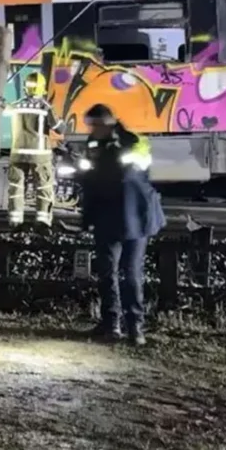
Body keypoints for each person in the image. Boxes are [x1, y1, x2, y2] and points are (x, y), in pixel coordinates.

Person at [79, 103, 165, 345]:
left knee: (131, 273)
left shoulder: (134, 142)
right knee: (108, 273)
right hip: (110, 218)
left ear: (107, 123)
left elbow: (129, 176)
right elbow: (91, 182)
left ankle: (135, 328)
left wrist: (104, 162)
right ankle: (111, 324)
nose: (92, 130)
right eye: (90, 125)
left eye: (95, 125)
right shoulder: (94, 144)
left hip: (133, 218)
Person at [6, 72, 65, 229]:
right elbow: (59, 128)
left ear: (26, 88)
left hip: (17, 153)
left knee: (16, 187)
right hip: (40, 155)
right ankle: (42, 220)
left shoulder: (16, 105)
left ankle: (15, 220)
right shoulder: (45, 107)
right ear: (42, 88)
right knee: (44, 186)